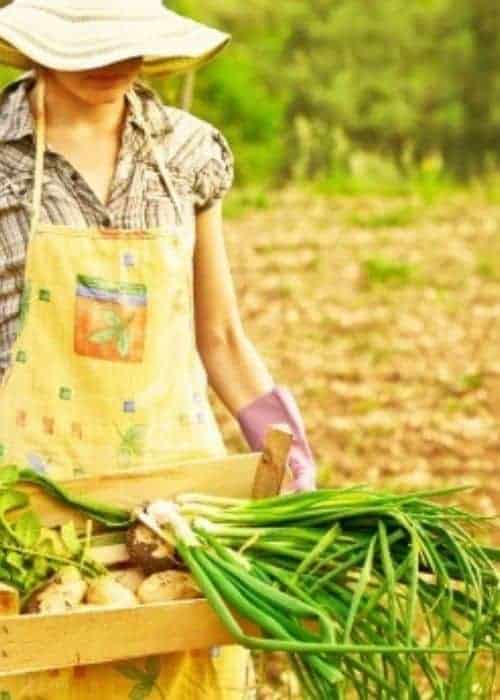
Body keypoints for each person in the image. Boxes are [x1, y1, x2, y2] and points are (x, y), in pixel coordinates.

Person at [0, 0, 317, 697]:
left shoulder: (187, 152)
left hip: (174, 514)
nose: (117, 63)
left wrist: (291, 461)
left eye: (131, 43)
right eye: (92, 47)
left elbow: (221, 336)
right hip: (32, 509)